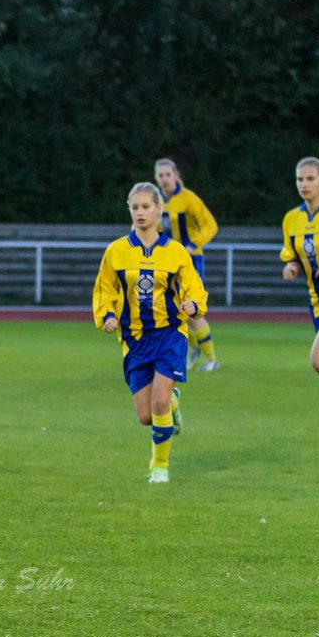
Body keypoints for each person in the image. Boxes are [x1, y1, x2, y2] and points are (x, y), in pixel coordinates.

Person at [93, 182, 208, 484]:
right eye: (135, 207)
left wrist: (194, 303)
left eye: (146, 206)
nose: (141, 212)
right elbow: (105, 289)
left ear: (159, 209)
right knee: (146, 416)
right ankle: (174, 403)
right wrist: (105, 315)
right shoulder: (116, 252)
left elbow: (194, 286)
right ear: (129, 210)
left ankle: (160, 466)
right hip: (135, 340)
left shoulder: (175, 252)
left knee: (158, 402)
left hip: (170, 333)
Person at [155, 158, 220, 370]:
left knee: (192, 308)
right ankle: (195, 348)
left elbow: (210, 225)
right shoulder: (155, 200)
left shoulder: (188, 199)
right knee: (170, 310)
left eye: (167, 174)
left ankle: (211, 359)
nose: (164, 179)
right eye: (160, 175)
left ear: (176, 175)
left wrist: (193, 244)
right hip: (166, 262)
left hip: (191, 260)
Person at [279, 156, 319, 375]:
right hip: (317, 301)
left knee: (318, 359)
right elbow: (292, 254)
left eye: (310, 178)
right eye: (300, 179)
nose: (304, 184)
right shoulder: (291, 219)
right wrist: (292, 266)